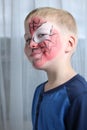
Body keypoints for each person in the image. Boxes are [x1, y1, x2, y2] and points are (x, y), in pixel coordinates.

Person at [24, 7, 87, 130]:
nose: (31, 44)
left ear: (69, 43)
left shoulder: (80, 95)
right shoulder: (39, 90)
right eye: (27, 39)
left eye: (41, 35)